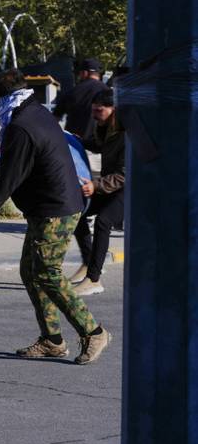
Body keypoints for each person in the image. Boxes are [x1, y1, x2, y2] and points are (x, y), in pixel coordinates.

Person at [0, 69, 112, 365]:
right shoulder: (35, 111)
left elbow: (9, 177)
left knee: (46, 272)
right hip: (48, 205)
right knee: (31, 272)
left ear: (1, 97)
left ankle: (93, 331)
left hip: (55, 208)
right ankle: (52, 340)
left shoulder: (21, 126)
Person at [70, 88, 125, 296]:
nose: (94, 115)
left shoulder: (126, 132)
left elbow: (125, 174)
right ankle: (88, 263)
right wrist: (79, 141)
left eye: (99, 111)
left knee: (104, 221)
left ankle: (94, 279)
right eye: (93, 110)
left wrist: (96, 185)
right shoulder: (105, 127)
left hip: (129, 190)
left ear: (113, 109)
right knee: (78, 211)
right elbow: (100, 145)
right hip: (110, 185)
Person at [53, 58, 107, 140]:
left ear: (85, 73)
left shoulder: (73, 91)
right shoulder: (107, 91)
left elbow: (55, 118)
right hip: (98, 144)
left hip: (74, 143)